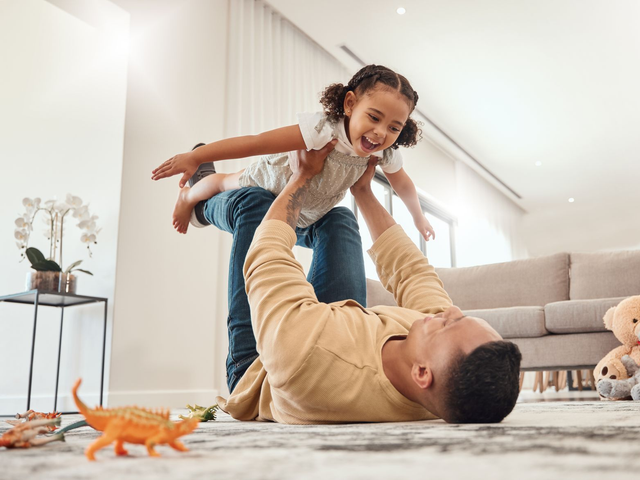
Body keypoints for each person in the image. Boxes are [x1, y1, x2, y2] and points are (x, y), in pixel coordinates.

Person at [214, 146, 522, 424]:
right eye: (460, 317)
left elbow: (267, 257)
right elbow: (412, 272)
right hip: (331, 328)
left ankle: (200, 203)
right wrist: (363, 190)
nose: (450, 310)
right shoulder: (441, 382)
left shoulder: (304, 356)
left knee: (255, 204)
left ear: (422, 373)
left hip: (260, 368)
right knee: (339, 219)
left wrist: (302, 176)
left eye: (447, 325)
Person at [151, 64, 436, 241]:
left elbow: (403, 184)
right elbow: (257, 142)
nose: (381, 133)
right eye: (374, 118)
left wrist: (418, 217)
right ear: (350, 104)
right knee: (225, 182)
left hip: (303, 209)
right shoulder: (324, 129)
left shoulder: (383, 153)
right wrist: (196, 157)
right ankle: (189, 195)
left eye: (394, 128)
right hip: (270, 181)